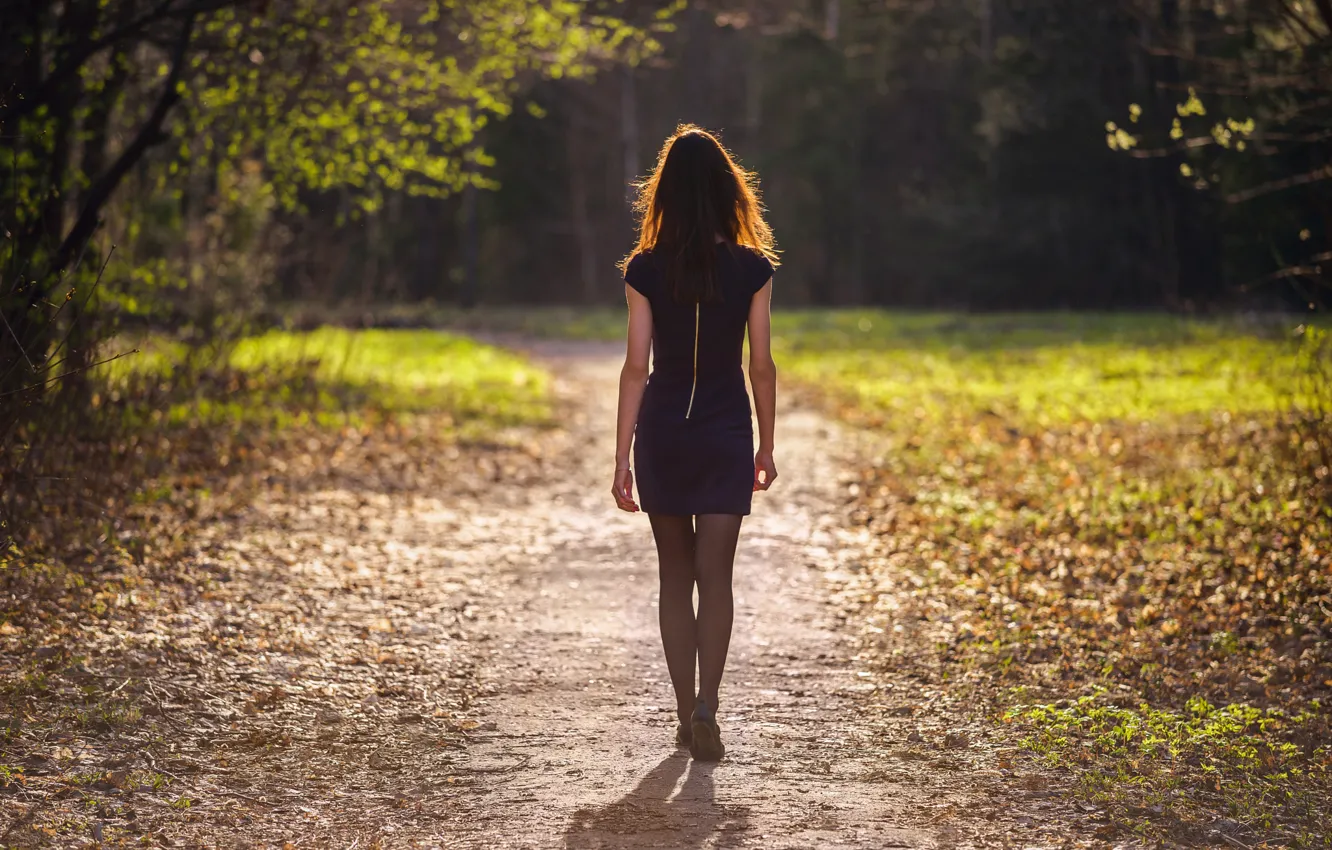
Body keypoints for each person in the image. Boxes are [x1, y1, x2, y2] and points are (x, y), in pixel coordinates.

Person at [610, 125, 779, 762]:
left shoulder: (645, 270)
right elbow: (760, 364)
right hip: (726, 429)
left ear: (666, 194)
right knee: (718, 574)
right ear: (727, 191)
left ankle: (685, 716)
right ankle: (709, 705)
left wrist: (621, 454)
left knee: (674, 575)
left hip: (663, 433)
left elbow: (636, 367)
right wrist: (766, 442)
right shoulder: (753, 268)